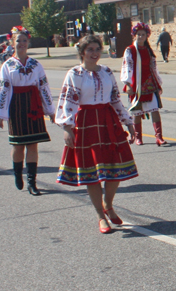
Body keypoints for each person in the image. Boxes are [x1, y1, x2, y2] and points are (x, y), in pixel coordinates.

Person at [56, 35, 138, 234]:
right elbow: (67, 102)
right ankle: (100, 216)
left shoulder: (107, 72)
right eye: (90, 49)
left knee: (115, 169)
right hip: (86, 123)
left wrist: (128, 122)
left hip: (108, 121)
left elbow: (115, 99)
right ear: (82, 52)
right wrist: (68, 127)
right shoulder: (75, 74)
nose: (94, 53)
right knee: (92, 173)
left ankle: (108, 204)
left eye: (97, 49)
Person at [0, 26, 55, 195]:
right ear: (12, 42)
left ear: (28, 43)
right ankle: (18, 173)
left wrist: (50, 110)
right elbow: (2, 89)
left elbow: (44, 87)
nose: (21, 44)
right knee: (18, 145)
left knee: (33, 144)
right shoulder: (8, 65)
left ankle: (32, 182)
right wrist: (0, 113)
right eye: (18, 41)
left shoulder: (35, 64)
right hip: (16, 105)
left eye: (24, 41)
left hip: (33, 105)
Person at [121, 22, 168, 146]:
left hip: (149, 83)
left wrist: (158, 83)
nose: (141, 37)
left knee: (155, 110)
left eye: (143, 34)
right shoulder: (130, 50)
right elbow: (127, 66)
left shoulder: (148, 50)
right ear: (134, 35)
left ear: (147, 36)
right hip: (136, 84)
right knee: (137, 111)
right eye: (139, 34)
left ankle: (159, 137)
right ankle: (138, 137)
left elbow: (153, 67)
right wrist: (128, 84)